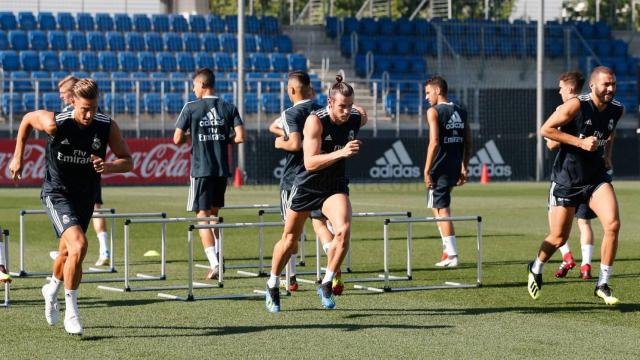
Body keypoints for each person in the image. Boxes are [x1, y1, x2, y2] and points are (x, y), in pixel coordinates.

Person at [9, 79, 132, 335]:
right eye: (85, 108)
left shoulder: (106, 126)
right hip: (57, 192)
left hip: (84, 195)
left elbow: (127, 161)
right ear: (73, 101)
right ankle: (72, 311)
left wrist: (109, 167)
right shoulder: (56, 123)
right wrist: (18, 155)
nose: (89, 114)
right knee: (80, 245)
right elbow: (27, 120)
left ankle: (51, 288)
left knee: (67, 254)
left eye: (94, 108)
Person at [265, 75, 367, 312]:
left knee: (343, 230)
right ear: (329, 103)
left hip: (335, 186)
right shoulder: (315, 121)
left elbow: (362, 114)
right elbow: (310, 162)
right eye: (342, 106)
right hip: (308, 184)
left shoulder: (354, 117)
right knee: (290, 241)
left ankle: (327, 282)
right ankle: (271, 284)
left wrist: (355, 109)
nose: (346, 111)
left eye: (350, 106)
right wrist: (341, 154)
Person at [528, 66, 623, 305]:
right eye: (606, 84)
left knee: (612, 224)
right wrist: (579, 143)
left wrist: (608, 155)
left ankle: (602, 283)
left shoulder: (617, 109)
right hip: (568, 179)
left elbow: (610, 133)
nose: (610, 88)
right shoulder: (576, 106)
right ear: (592, 86)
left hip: (596, 178)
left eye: (613, 84)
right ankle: (536, 266)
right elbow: (546, 130)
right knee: (559, 237)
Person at [268, 71, 342, 294]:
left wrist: (279, 143)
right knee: (320, 224)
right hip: (320, 177)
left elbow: (294, 144)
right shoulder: (321, 110)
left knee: (290, 234)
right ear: (310, 89)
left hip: (294, 180)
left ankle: (289, 279)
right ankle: (334, 271)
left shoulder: (291, 112)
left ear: (290, 90)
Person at [173, 68, 245, 280]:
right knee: (214, 216)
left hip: (201, 170)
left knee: (202, 217)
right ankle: (219, 258)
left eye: (194, 85)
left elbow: (177, 139)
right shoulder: (228, 107)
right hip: (221, 170)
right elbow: (240, 137)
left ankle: (214, 264)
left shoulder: (191, 107)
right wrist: (223, 139)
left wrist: (193, 138)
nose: (193, 89)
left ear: (202, 85)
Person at [50, 75, 111, 266]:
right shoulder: (81, 112)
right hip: (79, 176)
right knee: (77, 225)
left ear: (72, 95)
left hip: (85, 176)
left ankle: (103, 250)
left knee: (94, 212)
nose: (61, 97)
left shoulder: (81, 113)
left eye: (63, 93)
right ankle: (99, 250)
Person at [545, 71, 595, 280]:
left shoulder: (565, 109)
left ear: (571, 88)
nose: (559, 91)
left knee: (555, 225)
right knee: (584, 222)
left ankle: (566, 257)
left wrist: (565, 137)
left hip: (568, 174)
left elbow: (551, 142)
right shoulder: (594, 106)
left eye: (561, 87)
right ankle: (587, 266)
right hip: (591, 174)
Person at [423, 76, 472, 268]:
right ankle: (446, 251)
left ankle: (452, 254)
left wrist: (427, 170)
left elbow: (434, 142)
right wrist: (464, 166)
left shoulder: (433, 112)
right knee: (435, 207)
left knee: (442, 209)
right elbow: (468, 142)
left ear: (437, 91)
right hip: (453, 166)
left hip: (439, 168)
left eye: (428, 92)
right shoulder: (461, 110)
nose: (426, 97)